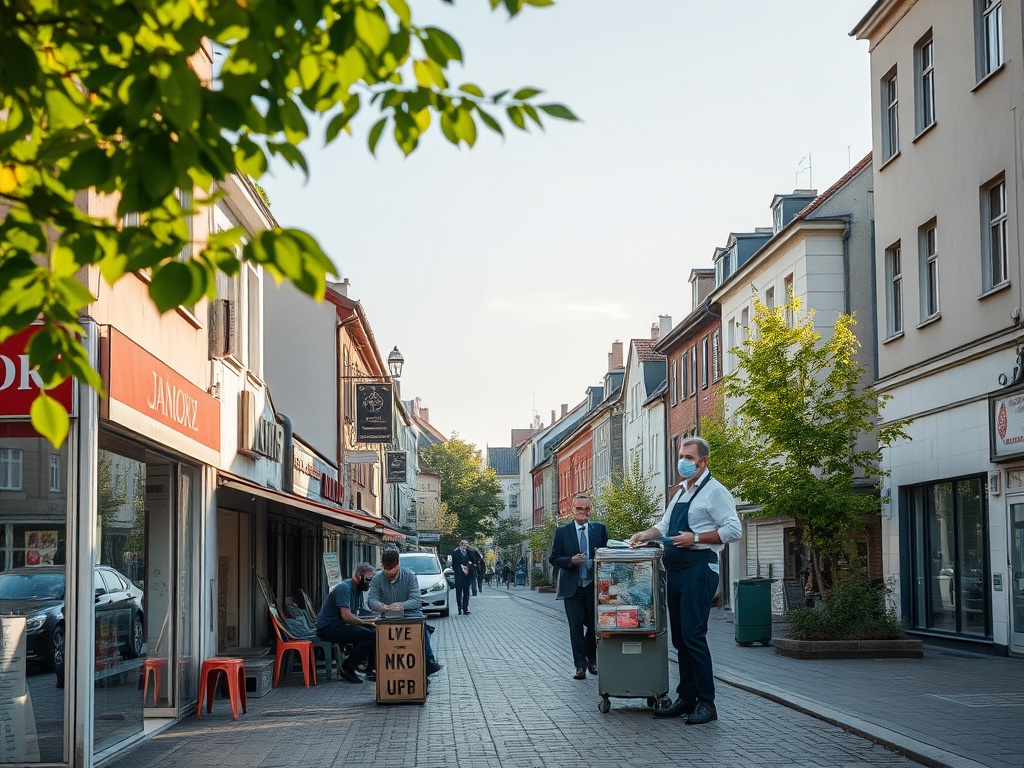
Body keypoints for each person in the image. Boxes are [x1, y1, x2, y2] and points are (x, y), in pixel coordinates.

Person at [629, 436, 742, 725]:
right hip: (676, 571)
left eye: (689, 458)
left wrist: (697, 537)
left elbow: (733, 530)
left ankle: (707, 703)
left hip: (699, 568)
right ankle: (686, 698)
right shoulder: (680, 491)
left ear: (703, 461)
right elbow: (665, 525)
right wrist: (644, 535)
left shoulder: (715, 492)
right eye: (681, 456)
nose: (683, 462)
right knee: (680, 638)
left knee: (693, 636)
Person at [549, 492, 608, 680]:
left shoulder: (599, 530)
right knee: (575, 627)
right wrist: (570, 560)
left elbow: (607, 554)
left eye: (587, 509)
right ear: (572, 510)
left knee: (593, 626)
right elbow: (553, 558)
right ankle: (580, 665)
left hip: (593, 586)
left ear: (591, 510)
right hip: (572, 588)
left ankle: (592, 660)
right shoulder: (562, 532)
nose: (583, 512)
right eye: (579, 508)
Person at [367, 549, 443, 676]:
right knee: (375, 637)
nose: (389, 573)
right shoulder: (377, 579)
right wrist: (383, 607)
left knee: (422, 632)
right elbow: (371, 600)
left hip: (411, 616)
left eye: (392, 569)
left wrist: (400, 606)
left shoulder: (409, 576)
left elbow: (416, 600)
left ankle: (428, 663)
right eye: (386, 569)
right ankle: (374, 669)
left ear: (398, 565)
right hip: (388, 618)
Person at [317, 562, 377, 684]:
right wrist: (367, 623)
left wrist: (378, 615)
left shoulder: (358, 590)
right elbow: (347, 617)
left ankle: (371, 669)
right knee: (370, 635)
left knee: (375, 632)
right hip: (329, 628)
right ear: (360, 576)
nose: (369, 583)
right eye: (368, 579)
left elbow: (361, 611)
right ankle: (347, 667)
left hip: (341, 626)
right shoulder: (344, 588)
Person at [451, 539, 476, 614]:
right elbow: (454, 564)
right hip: (459, 575)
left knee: (466, 591)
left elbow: (473, 560)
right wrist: (459, 570)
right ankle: (459, 607)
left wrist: (471, 565)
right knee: (459, 592)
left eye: (467, 544)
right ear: (461, 545)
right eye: (464, 544)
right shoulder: (456, 552)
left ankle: (466, 608)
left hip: (467, 575)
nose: (466, 546)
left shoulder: (469, 552)